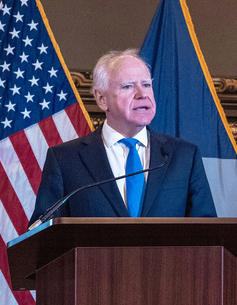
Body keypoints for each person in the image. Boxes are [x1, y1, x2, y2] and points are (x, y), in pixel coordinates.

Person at [29, 49, 216, 224]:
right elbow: (45, 237)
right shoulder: (65, 160)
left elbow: (208, 233)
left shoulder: (184, 156)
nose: (142, 94)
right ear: (102, 99)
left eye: (146, 84)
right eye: (128, 86)